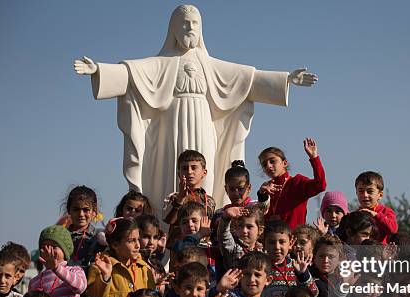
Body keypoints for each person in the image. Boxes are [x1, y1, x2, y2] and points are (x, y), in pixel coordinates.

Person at [74, 4, 317, 209]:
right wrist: (99, 71)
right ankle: (168, 231)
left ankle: (205, 225)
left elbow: (247, 79)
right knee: (172, 174)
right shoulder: (163, 63)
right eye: (185, 23)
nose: (190, 28)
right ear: (173, 29)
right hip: (171, 124)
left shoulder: (208, 63)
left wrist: (285, 79)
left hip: (203, 123)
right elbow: (131, 73)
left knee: (205, 172)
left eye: (194, 24)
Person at [86, 218, 155, 297]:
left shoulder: (144, 269)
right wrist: (106, 277)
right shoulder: (99, 268)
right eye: (131, 241)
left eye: (138, 239)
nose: (138, 245)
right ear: (115, 245)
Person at [260, 139, 326, 229]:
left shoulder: (297, 182)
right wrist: (261, 195)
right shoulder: (266, 188)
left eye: (272, 161)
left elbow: (320, 186)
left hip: (295, 240)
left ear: (285, 163)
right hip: (273, 241)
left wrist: (314, 158)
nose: (268, 166)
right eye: (264, 164)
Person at [28, 225, 87, 297]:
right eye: (45, 247)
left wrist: (56, 268)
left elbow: (80, 287)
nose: (49, 250)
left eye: (54, 246)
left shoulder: (74, 271)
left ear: (65, 251)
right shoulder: (35, 281)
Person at [262, 220, 318, 297]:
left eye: (282, 242)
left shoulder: (296, 266)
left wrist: (302, 274)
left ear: (291, 243)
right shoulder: (260, 266)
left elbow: (314, 293)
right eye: (271, 242)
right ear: (264, 243)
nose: (277, 247)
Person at [62, 186, 104, 269]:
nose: (81, 214)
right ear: (68, 210)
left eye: (86, 210)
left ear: (94, 211)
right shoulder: (61, 236)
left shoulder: (101, 236)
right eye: (76, 209)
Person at [354, 171, 397, 244]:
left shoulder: (386, 211)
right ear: (356, 193)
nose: (365, 195)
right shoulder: (355, 215)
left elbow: (393, 229)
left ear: (380, 195)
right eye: (361, 191)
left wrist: (376, 215)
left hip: (380, 253)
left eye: (370, 191)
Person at [217, 206, 265, 270]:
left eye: (249, 227)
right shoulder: (233, 247)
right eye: (240, 226)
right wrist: (226, 217)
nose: (244, 231)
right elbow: (223, 234)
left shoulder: (263, 251)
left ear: (260, 230)